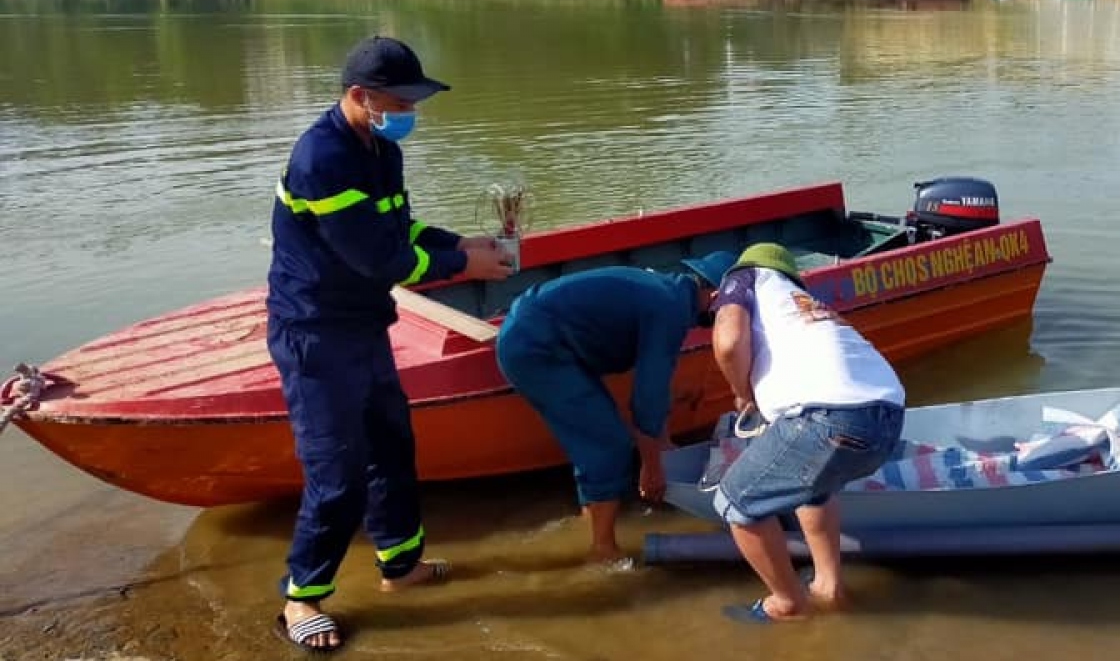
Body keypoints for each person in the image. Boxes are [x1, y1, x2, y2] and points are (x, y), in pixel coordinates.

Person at [266, 36, 513, 651]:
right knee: (338, 473)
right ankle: (301, 598)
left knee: (392, 449)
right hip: (315, 334)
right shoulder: (321, 158)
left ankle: (400, 567)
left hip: (364, 325)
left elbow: (401, 228)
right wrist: (463, 264)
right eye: (401, 100)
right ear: (359, 96)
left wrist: (465, 242)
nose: (411, 111)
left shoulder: (378, 149)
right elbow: (380, 258)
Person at [494, 252, 737, 564]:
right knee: (608, 444)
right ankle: (603, 550)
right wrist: (651, 466)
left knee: (597, 435)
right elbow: (647, 396)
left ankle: (591, 516)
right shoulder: (670, 311)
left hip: (543, 334)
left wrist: (661, 443)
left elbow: (655, 384)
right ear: (716, 297)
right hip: (536, 347)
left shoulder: (669, 294)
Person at [706, 243, 906, 623]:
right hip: (888, 418)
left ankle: (787, 603)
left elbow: (730, 342)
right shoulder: (802, 303)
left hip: (828, 417)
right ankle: (830, 587)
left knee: (735, 502)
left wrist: (741, 393)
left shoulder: (742, 278)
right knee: (814, 490)